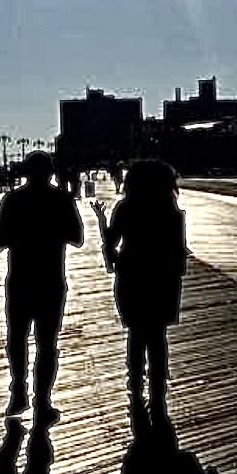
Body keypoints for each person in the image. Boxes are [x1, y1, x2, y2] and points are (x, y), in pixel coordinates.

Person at [0, 151, 84, 424]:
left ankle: (18, 388)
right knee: (47, 342)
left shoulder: (12, 200)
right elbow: (78, 238)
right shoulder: (61, 200)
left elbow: (0, 240)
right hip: (51, 279)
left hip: (20, 278)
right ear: (51, 172)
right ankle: (42, 401)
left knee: (17, 337)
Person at [92, 158, 187, 416]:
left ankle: (135, 387)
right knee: (157, 337)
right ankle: (158, 393)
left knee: (136, 335)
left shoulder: (126, 207)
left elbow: (110, 241)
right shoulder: (170, 208)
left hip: (132, 274)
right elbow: (179, 250)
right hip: (162, 277)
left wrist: (101, 218)